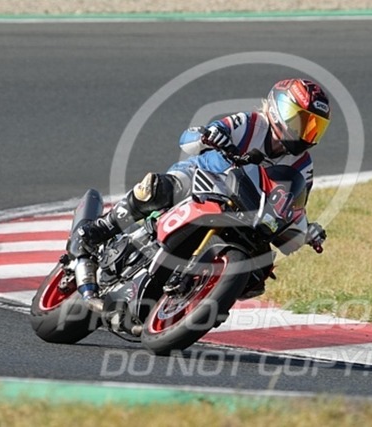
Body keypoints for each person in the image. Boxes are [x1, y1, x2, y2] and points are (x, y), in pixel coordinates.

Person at [76, 78, 330, 299]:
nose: (306, 133)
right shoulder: (250, 123)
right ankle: (104, 226)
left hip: (247, 207)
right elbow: (191, 137)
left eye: (314, 127)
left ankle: (203, 291)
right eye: (301, 121)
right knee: (156, 188)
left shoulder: (303, 164)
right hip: (203, 177)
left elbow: (294, 203)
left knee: (257, 273)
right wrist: (209, 135)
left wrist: (307, 229)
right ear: (279, 109)